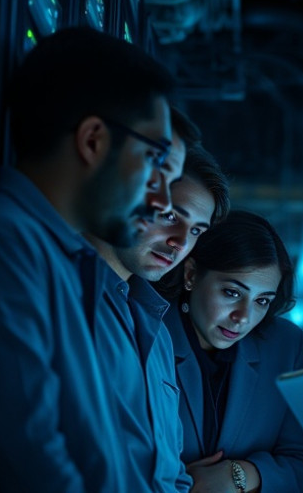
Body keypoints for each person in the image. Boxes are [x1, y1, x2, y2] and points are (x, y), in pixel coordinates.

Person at [0, 27, 179, 493]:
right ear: (93, 141)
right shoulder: (15, 235)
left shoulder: (67, 257)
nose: (161, 199)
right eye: (154, 159)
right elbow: (29, 448)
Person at [82, 134, 230, 491]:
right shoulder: (71, 295)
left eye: (196, 230)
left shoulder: (158, 332)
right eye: (170, 215)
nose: (181, 242)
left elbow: (170, 469)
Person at [159, 211, 303, 493]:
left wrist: (242, 475)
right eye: (232, 293)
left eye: (262, 301)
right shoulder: (146, 335)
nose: (244, 317)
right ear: (191, 274)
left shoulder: (285, 346)